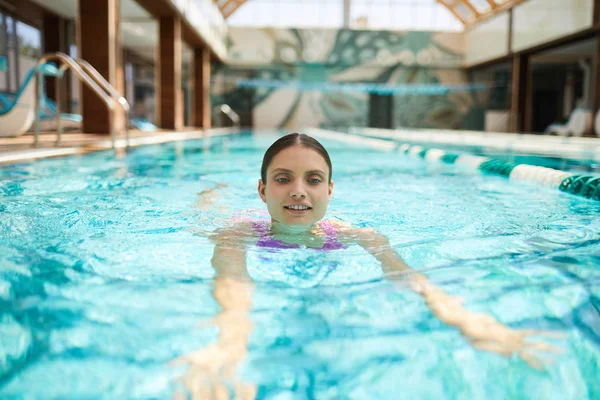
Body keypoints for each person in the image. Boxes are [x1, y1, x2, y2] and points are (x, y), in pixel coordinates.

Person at [174, 133, 562, 400]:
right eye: (282, 179)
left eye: (313, 180)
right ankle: (211, 192)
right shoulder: (237, 234)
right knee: (206, 210)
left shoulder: (357, 235)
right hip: (244, 224)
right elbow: (234, 286)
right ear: (262, 191)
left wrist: (461, 317)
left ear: (329, 190)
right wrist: (229, 343)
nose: (298, 190)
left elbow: (406, 276)